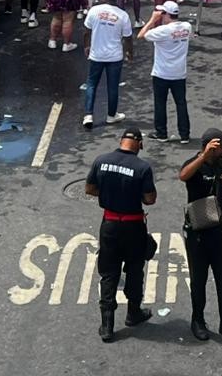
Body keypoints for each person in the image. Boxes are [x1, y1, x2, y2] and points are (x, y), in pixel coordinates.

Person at [85, 127, 156, 342]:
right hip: (133, 227)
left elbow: (89, 189)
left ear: (121, 140)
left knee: (109, 274)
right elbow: (150, 199)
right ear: (140, 144)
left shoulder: (101, 160)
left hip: (109, 225)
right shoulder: (142, 167)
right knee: (134, 270)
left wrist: (108, 193)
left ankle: (107, 325)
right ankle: (133, 313)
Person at [179, 128, 222, 343]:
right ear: (211, 146)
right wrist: (203, 157)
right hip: (198, 233)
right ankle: (197, 320)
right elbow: (183, 175)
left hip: (217, 228)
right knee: (198, 280)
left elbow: (218, 189)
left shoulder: (219, 163)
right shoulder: (195, 164)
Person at [140, 0, 193, 143]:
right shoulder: (187, 27)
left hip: (162, 73)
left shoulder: (162, 31)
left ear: (166, 14)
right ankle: (185, 134)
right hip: (179, 72)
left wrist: (152, 20)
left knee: (160, 103)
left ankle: (162, 133)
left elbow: (141, 35)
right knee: (181, 103)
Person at [83, 0, 134, 130]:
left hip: (96, 54)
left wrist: (86, 46)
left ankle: (88, 114)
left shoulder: (94, 11)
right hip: (114, 56)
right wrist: (130, 52)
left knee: (92, 84)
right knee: (112, 86)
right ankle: (111, 115)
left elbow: (86, 31)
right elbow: (128, 38)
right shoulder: (122, 15)